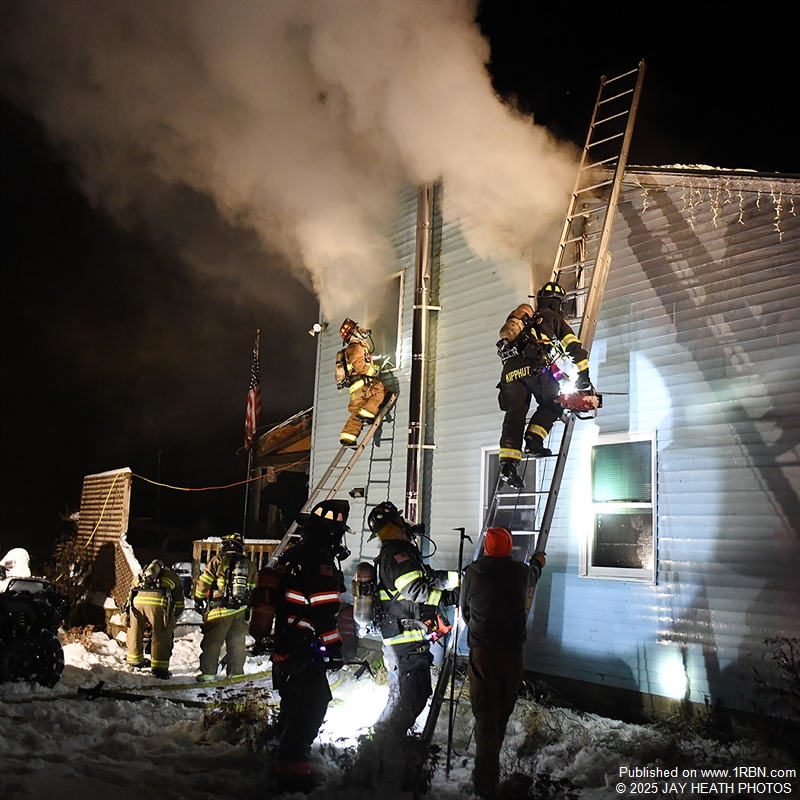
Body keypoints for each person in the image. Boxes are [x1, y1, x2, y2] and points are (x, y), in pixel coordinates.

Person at [460, 527, 545, 800]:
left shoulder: (472, 574)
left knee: (485, 715)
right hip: (512, 655)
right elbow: (534, 573)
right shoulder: (521, 573)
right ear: (508, 549)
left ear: (486, 548)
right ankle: (489, 770)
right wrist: (538, 561)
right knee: (501, 712)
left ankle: (485, 783)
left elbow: (464, 613)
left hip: (483, 653)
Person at [272, 499, 349, 794]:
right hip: (303, 643)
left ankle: (279, 755)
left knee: (293, 702)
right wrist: (335, 648)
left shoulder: (295, 554)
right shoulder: (320, 562)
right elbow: (323, 610)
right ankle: (292, 774)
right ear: (333, 534)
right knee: (313, 704)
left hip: (286, 638)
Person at [368, 501, 459, 736]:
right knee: (410, 699)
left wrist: (462, 578)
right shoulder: (398, 554)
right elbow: (415, 589)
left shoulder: (403, 554)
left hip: (407, 641)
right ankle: (383, 745)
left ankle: (382, 744)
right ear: (395, 525)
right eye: (401, 520)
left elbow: (430, 578)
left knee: (405, 697)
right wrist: (448, 598)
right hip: (404, 643)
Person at [495, 281, 592, 489]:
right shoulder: (552, 318)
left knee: (514, 414)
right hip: (534, 367)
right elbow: (572, 346)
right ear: (557, 304)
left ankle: (508, 466)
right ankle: (533, 441)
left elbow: (546, 360)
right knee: (555, 402)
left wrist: (560, 376)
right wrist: (583, 374)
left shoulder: (527, 325)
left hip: (509, 373)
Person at [193, 532, 256, 682]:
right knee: (237, 643)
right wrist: (248, 609)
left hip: (219, 610)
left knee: (213, 642)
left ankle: (208, 674)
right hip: (239, 610)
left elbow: (204, 581)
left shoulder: (218, 560)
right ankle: (236, 674)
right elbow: (254, 589)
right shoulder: (250, 565)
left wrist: (198, 598)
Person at [125, 559, 185, 679]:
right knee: (161, 635)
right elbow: (179, 600)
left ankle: (134, 660)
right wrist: (174, 617)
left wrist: (127, 613)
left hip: (137, 604)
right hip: (158, 604)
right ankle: (159, 669)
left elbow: (131, 592)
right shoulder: (171, 576)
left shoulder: (142, 576)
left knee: (135, 632)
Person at [336, 318, 386, 447]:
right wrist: (374, 372)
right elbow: (359, 365)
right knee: (379, 391)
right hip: (363, 384)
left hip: (356, 387)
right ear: (353, 333)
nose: (361, 331)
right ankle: (368, 415)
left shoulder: (353, 348)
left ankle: (347, 437)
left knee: (357, 412)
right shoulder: (356, 347)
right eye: (357, 329)